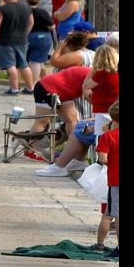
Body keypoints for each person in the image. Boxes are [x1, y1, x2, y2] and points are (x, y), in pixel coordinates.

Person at [35, 44, 118, 177]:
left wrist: (93, 70)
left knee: (79, 132)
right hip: (106, 116)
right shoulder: (114, 74)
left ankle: (60, 166)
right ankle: (77, 161)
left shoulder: (102, 74)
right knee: (79, 126)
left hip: (106, 118)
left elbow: (86, 85)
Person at [0, 0, 33, 94]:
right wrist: (25, 33)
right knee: (23, 64)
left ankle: (14, 89)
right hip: (22, 40)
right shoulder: (26, 8)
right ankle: (30, 88)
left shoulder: (2, 9)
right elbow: (31, 22)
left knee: (10, 65)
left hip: (6, 40)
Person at [93, 99, 118, 257]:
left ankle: (100, 244)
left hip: (116, 180)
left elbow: (102, 159)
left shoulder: (108, 136)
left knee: (110, 215)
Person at [24, 0, 55, 85]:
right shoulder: (42, 12)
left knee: (28, 60)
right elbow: (52, 27)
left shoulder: (24, 11)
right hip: (43, 37)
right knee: (36, 61)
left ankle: (43, 81)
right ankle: (33, 84)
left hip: (27, 36)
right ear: (38, 1)